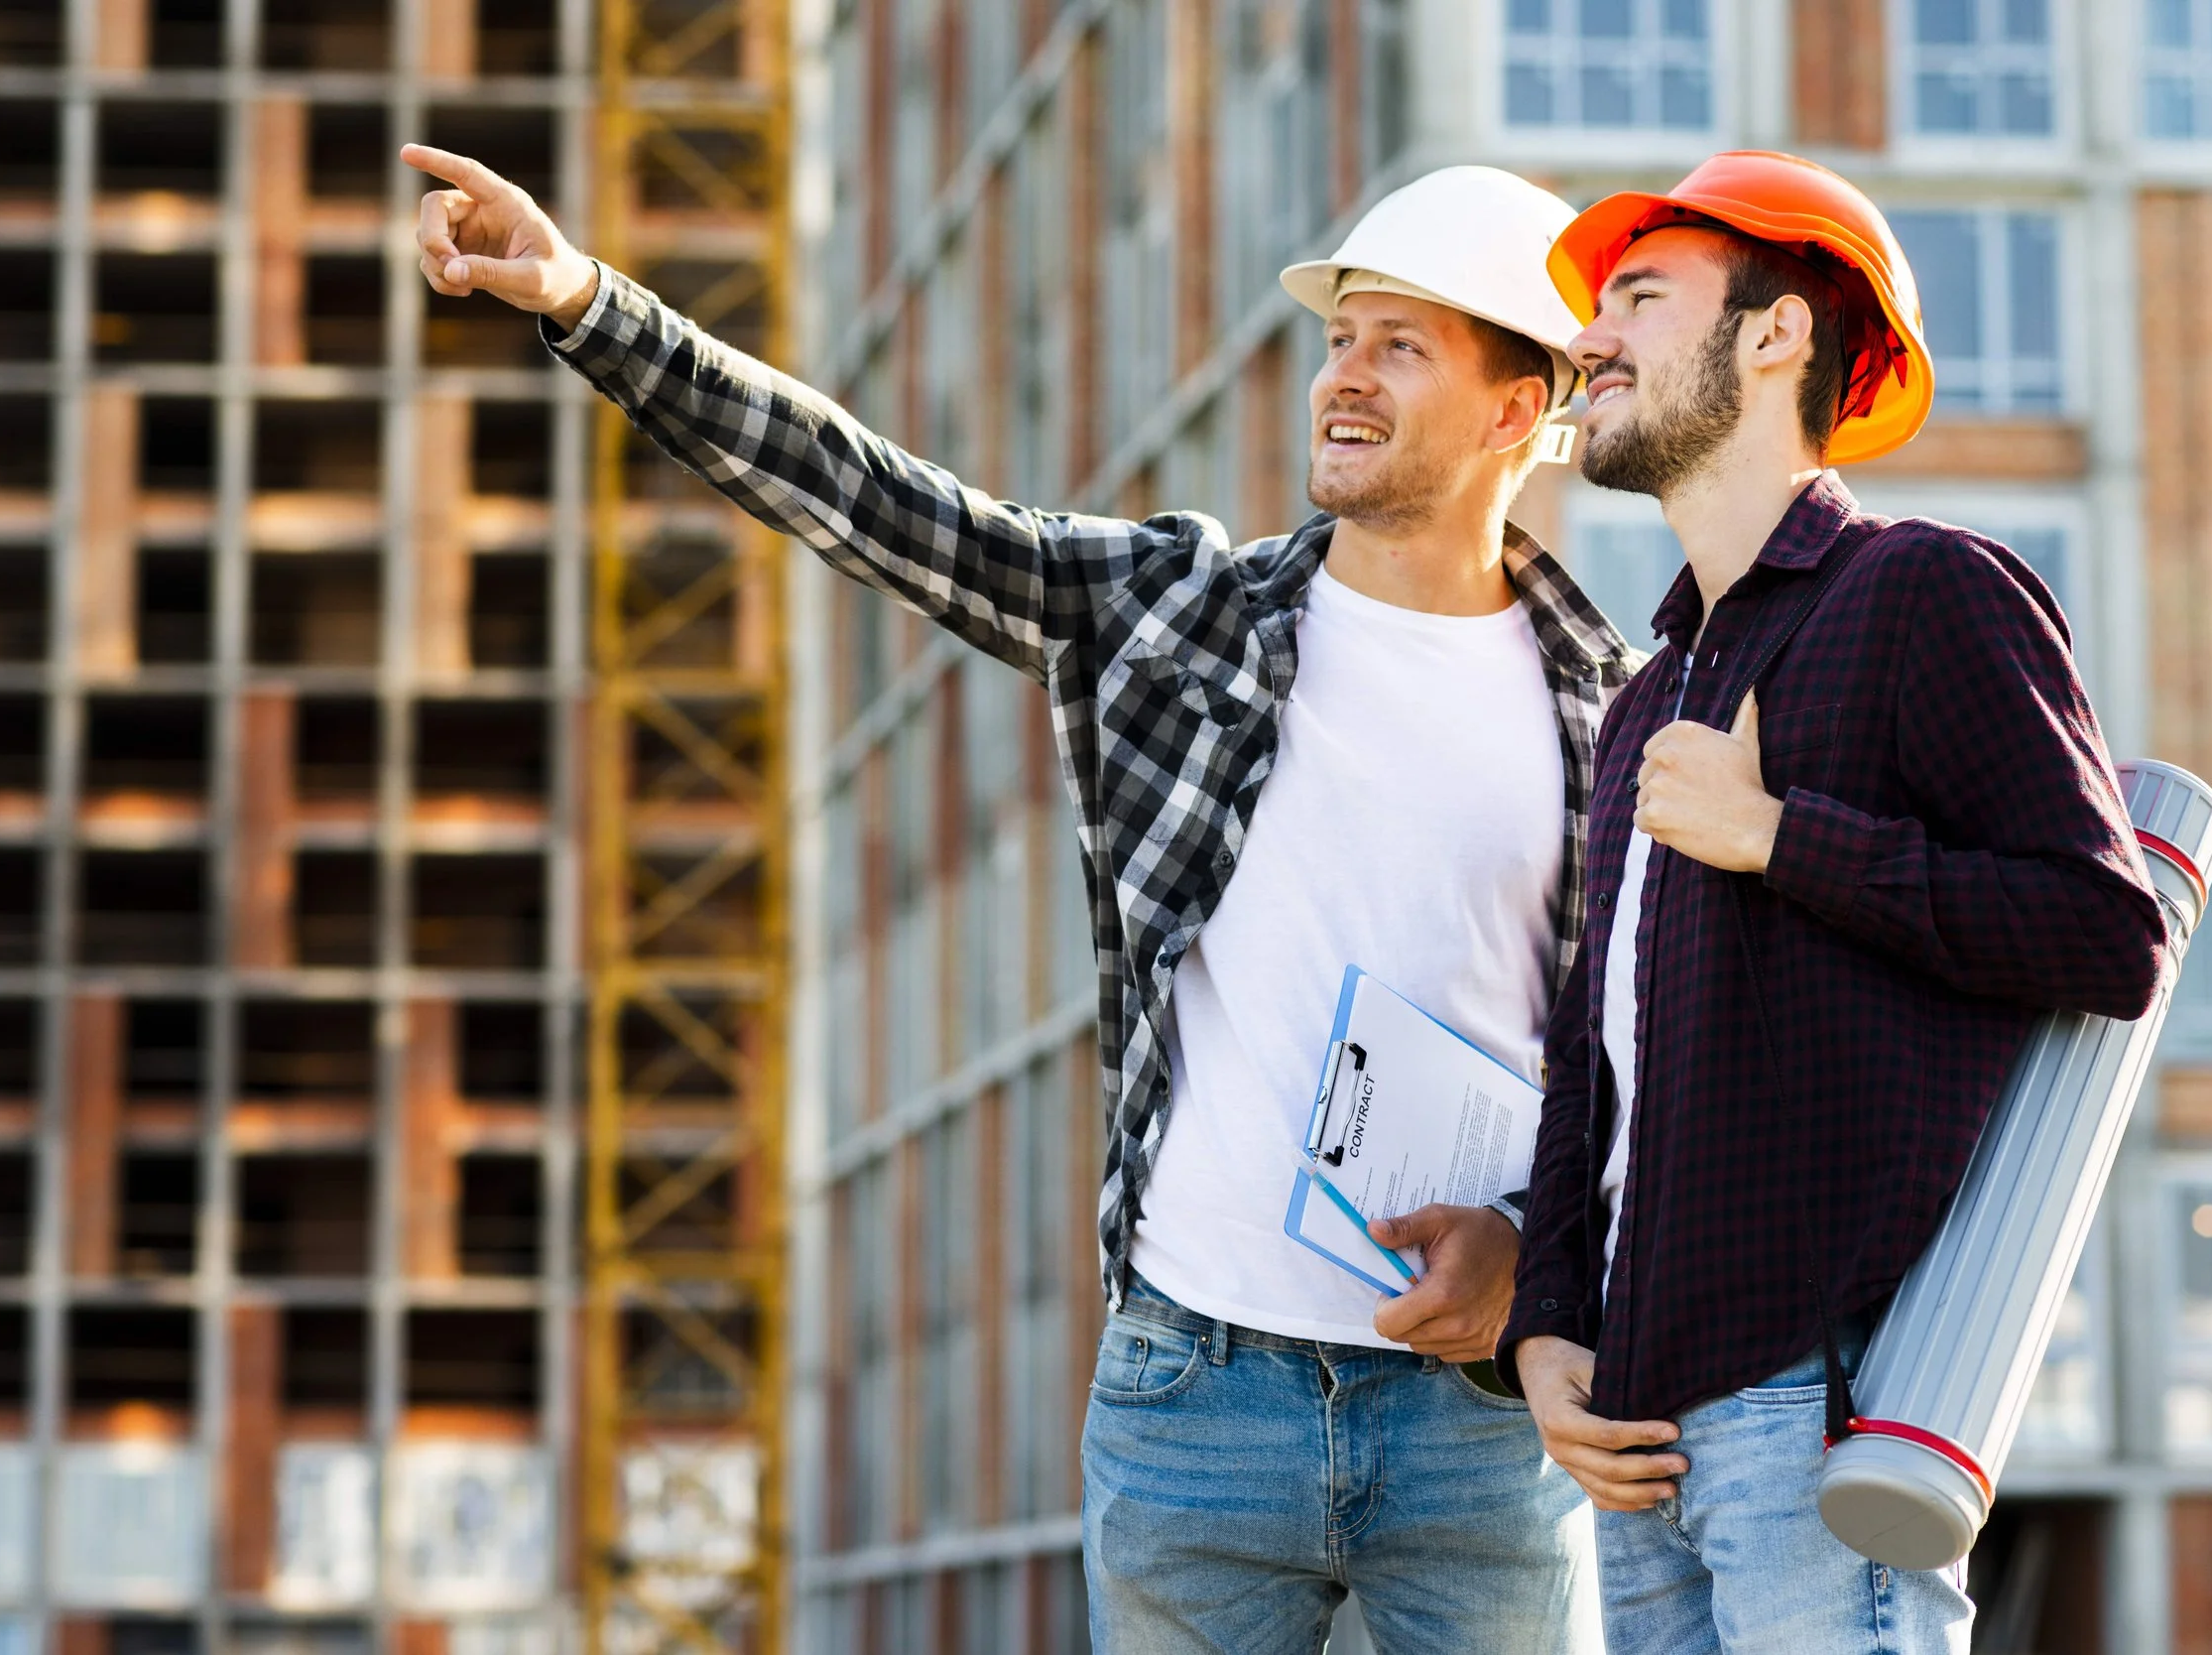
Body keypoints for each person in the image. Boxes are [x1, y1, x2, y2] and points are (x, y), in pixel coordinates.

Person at [402, 142, 1625, 1650]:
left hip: (1480, 1432)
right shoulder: (1177, 618)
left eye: (1401, 346)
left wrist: (1529, 1243)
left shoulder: (1616, 717)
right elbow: (871, 499)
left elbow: (1643, 1081)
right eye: (1338, 339)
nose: (1341, 379)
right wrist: (591, 303)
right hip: (1195, 1402)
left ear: (1518, 409)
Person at [1497, 150, 2168, 1654]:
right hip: (1635, 1439)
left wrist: (1779, 838)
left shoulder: (1927, 592)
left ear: (1776, 333)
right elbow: (1585, 1067)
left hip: (1811, 1417)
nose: (1588, 341)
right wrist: (1542, 1329)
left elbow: (2109, 931)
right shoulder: (1649, 699)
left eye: (1639, 297)